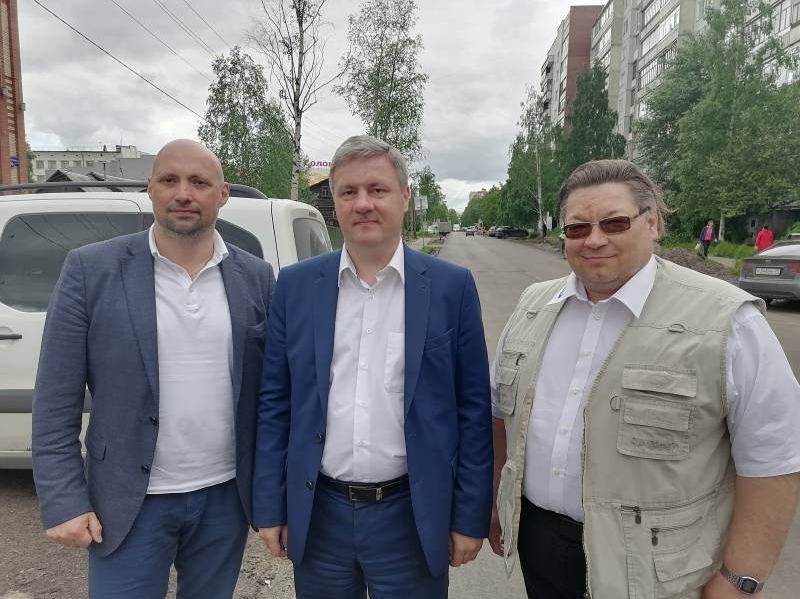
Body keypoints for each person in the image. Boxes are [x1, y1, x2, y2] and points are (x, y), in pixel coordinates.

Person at [489, 159, 800, 599]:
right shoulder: (533, 306)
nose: (594, 239)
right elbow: (500, 417)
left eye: (614, 223)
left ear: (652, 223)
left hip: (657, 573)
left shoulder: (725, 320)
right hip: (539, 547)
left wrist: (740, 580)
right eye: (577, 228)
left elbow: (775, 459)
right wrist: (497, 502)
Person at [32, 139, 275, 598]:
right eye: (169, 180)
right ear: (150, 188)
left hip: (225, 498)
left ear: (222, 194)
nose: (183, 193)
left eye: (199, 182)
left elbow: (271, 394)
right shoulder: (91, 270)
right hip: (128, 500)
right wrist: (64, 500)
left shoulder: (256, 277)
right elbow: (54, 400)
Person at [253, 135, 493, 599]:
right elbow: (275, 402)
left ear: (404, 195)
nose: (363, 203)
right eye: (348, 192)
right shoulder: (296, 286)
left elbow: (472, 410)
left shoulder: (451, 287)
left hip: (412, 516)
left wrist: (469, 517)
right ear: (335, 204)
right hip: (320, 517)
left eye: (377, 189)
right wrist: (269, 505)